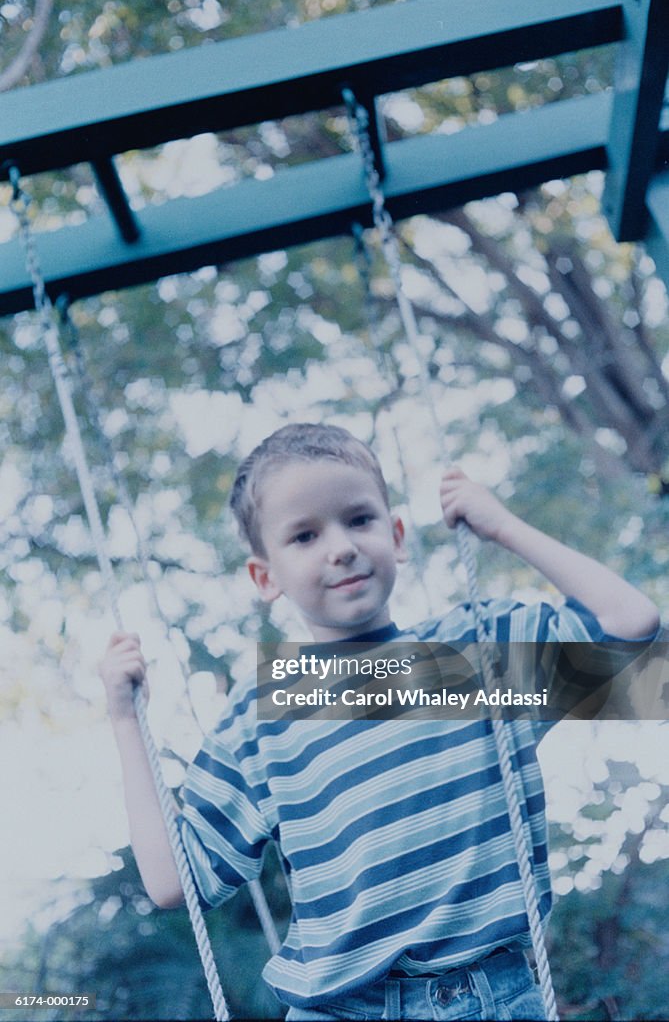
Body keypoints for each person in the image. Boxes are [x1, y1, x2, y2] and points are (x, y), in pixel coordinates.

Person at [99, 422, 659, 1021]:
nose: (340, 547)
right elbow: (171, 882)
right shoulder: (265, 712)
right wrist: (124, 720)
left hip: (498, 997)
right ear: (266, 577)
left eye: (359, 520)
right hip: (346, 1009)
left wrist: (502, 527)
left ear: (396, 536)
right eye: (305, 535)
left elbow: (631, 623)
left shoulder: (474, 652)